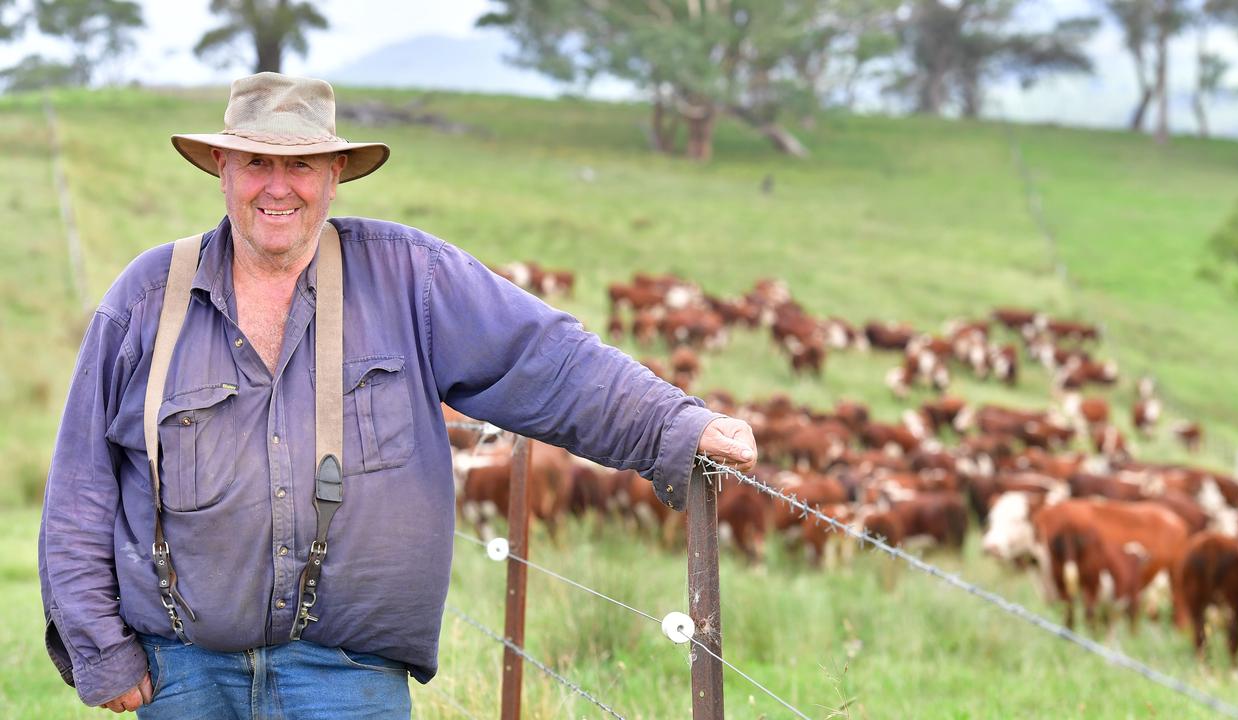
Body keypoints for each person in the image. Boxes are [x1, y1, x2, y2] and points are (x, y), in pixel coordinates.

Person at [38, 72, 757, 718]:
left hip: (350, 676)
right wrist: (101, 648)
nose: (278, 186)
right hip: (184, 674)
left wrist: (675, 423)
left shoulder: (412, 280)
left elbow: (548, 362)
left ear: (337, 173)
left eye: (302, 165)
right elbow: (80, 486)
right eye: (258, 161)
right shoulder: (147, 299)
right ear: (221, 166)